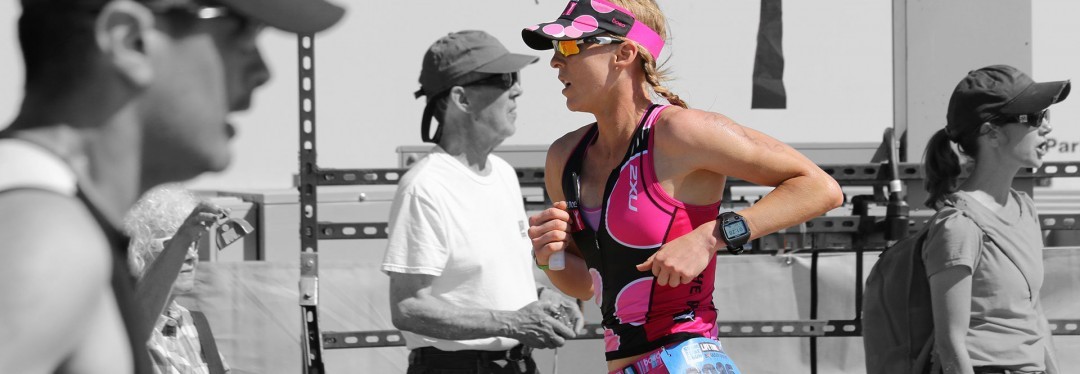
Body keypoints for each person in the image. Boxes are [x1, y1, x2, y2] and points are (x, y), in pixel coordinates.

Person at [0, 0, 343, 373]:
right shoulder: (44, 234)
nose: (262, 72)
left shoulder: (51, 218)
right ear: (129, 40)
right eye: (239, 35)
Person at [521, 1, 844, 372]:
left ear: (623, 53)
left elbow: (821, 188)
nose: (555, 62)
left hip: (689, 361)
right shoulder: (564, 157)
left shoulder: (681, 132)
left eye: (570, 46)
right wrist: (549, 258)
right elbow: (592, 286)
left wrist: (713, 235)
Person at [382, 30, 584, 374]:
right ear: (462, 99)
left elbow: (483, 283)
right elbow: (408, 308)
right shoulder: (426, 187)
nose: (517, 89)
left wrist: (540, 296)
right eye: (503, 79)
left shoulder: (502, 175)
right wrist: (512, 323)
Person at [922, 65, 1069, 374]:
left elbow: (1034, 314)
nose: (1047, 128)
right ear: (992, 133)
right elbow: (951, 346)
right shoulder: (958, 225)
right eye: (1034, 118)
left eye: (1046, 117)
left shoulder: (1025, 208)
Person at [125, 185, 231, 374]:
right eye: (172, 244)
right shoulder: (121, 327)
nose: (191, 255)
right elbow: (135, 327)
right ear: (138, 253)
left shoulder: (196, 323)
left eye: (194, 243)